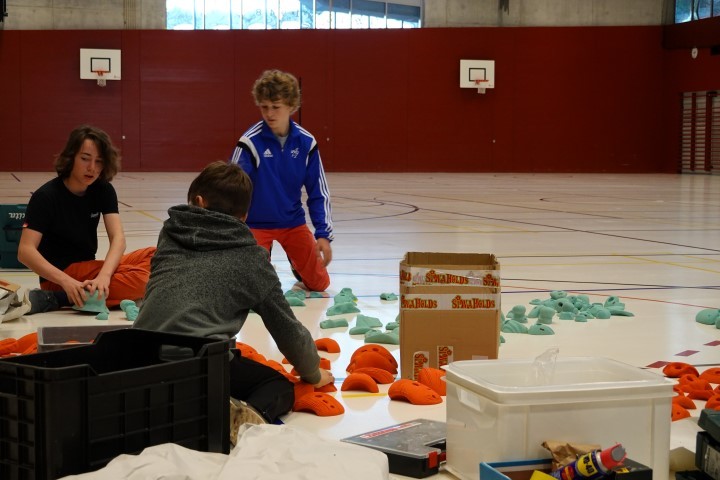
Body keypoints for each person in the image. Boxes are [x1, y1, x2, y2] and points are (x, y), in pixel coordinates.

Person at [132, 161, 334, 426]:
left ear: (198, 201)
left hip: (138, 355)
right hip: (200, 363)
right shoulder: (252, 259)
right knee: (278, 386)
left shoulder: (169, 234)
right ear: (245, 216)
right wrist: (313, 373)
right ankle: (238, 418)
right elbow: (287, 330)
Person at [18, 124, 155, 314]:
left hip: (89, 270)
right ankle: (60, 297)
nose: (92, 168)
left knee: (156, 255)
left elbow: (118, 238)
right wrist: (66, 281)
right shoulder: (46, 196)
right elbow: (25, 251)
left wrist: (104, 276)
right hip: (59, 277)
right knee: (144, 280)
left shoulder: (103, 189)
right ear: (71, 157)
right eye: (85, 158)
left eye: (99, 161)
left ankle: (82, 294)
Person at [230, 69, 333, 292]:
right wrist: (232, 232)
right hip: (254, 225)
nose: (269, 113)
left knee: (320, 284)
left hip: (293, 223)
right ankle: (261, 258)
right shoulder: (249, 142)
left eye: (276, 107)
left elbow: (318, 192)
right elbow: (231, 190)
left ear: (291, 105)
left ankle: (297, 264)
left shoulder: (306, 143)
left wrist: (323, 234)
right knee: (253, 288)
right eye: (264, 107)